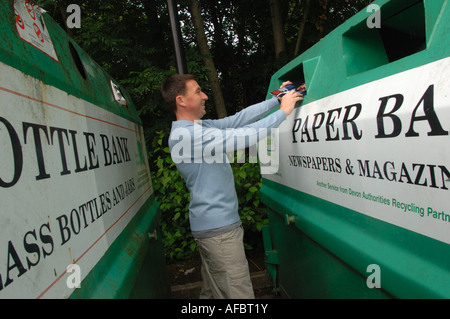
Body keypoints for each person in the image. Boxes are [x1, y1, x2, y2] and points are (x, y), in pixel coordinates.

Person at [160, 74, 303, 299]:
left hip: (212, 229)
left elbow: (238, 119)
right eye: (198, 91)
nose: (205, 95)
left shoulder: (198, 127)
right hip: (220, 234)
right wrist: (283, 112)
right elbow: (245, 135)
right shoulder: (188, 135)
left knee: (213, 292)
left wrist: (277, 99)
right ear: (181, 100)